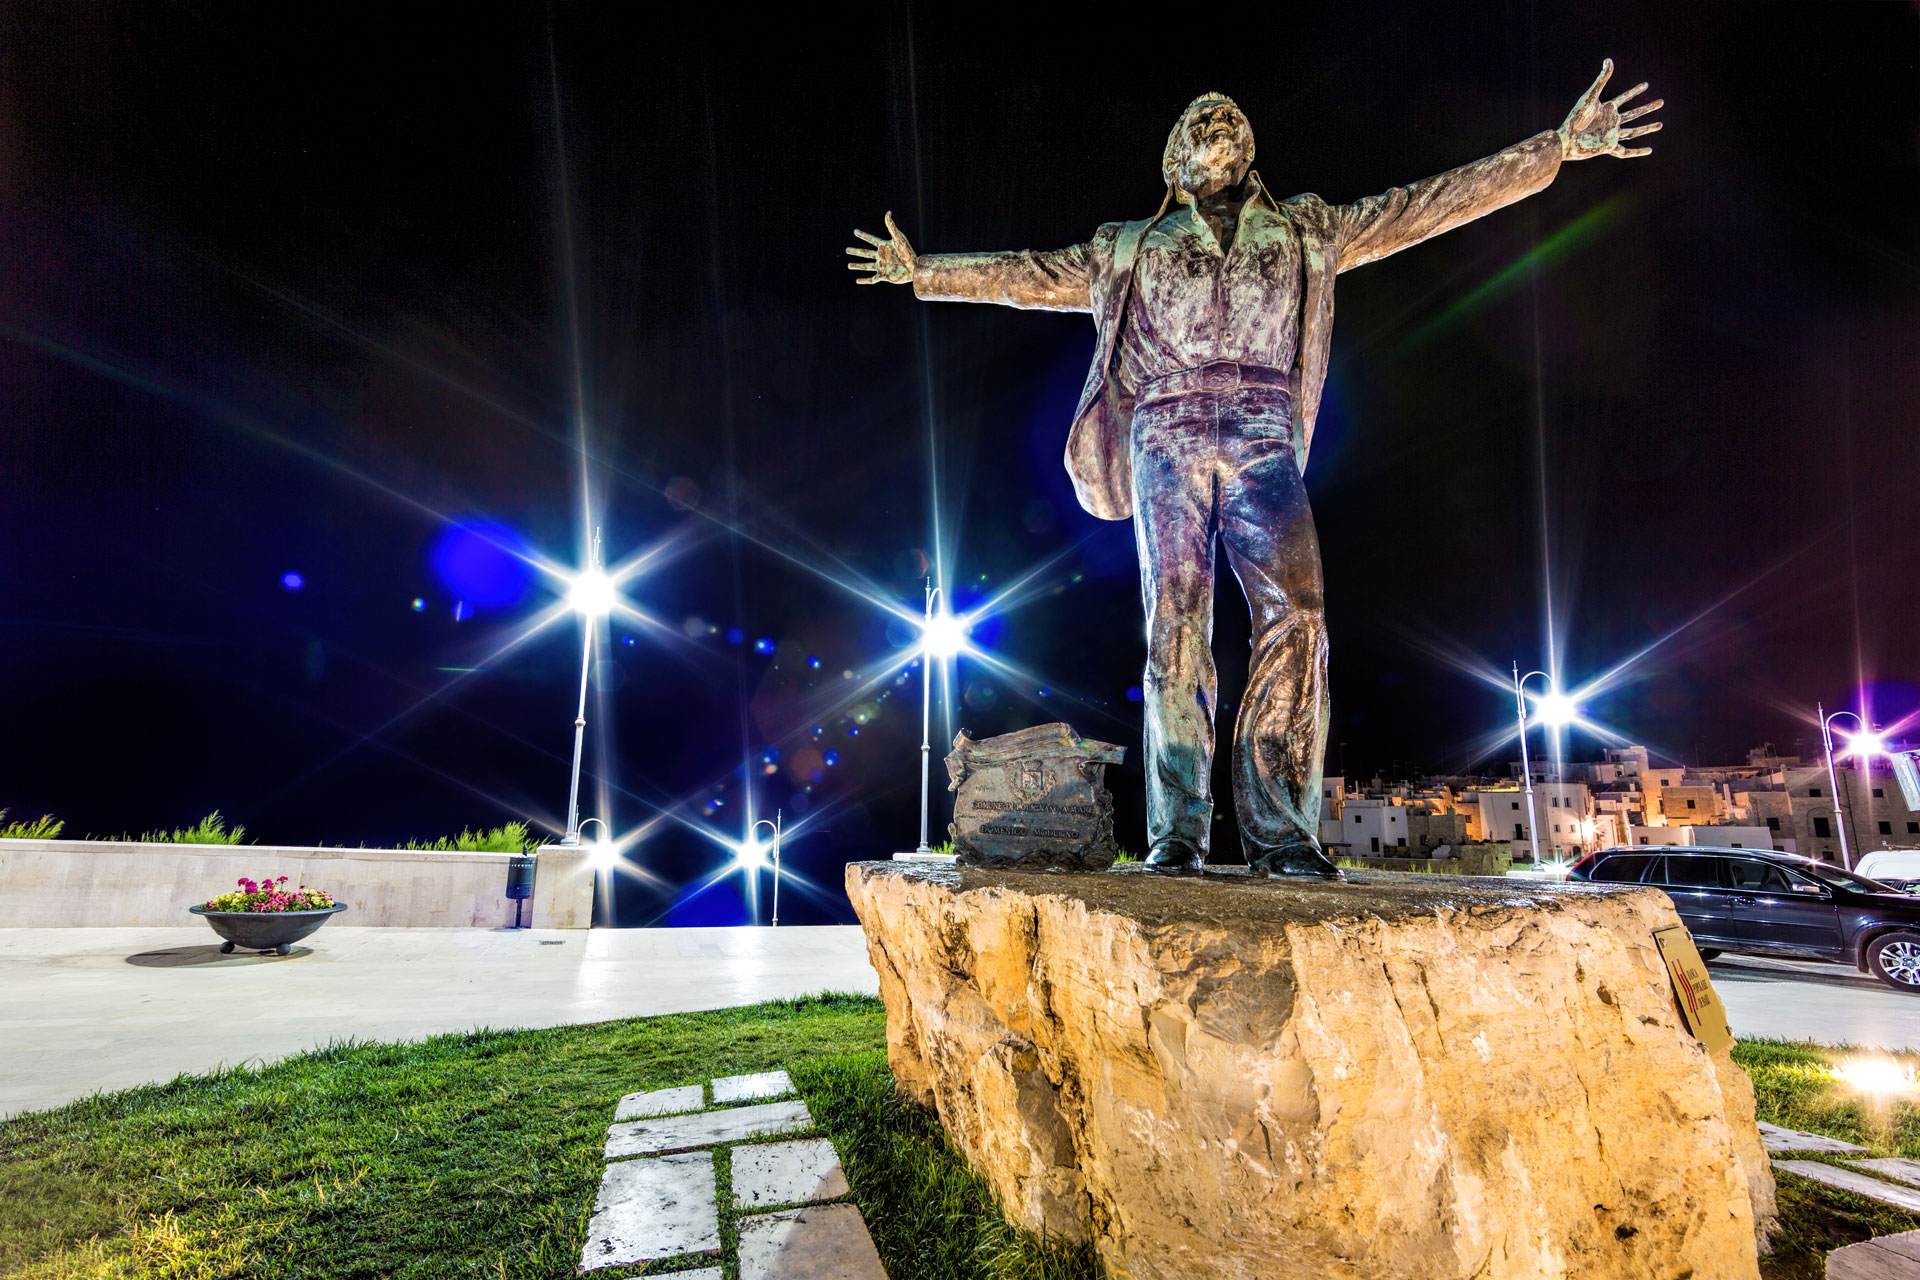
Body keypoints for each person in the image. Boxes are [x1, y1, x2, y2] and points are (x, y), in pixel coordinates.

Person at [848, 63, 1661, 879]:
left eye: (1226, 113)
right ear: (1173, 163)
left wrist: (1553, 148)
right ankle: (1177, 831)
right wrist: (922, 271)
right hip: (1164, 434)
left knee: (1300, 612)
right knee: (1176, 626)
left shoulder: (1308, 228)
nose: (1214, 116)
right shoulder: (1129, 246)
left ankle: (1280, 832)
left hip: (1264, 433)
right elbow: (1028, 274)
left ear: (1248, 148)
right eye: (1196, 117)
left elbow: (1426, 205)